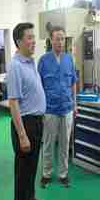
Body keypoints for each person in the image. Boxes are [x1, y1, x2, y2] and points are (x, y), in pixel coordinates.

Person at [8, 22, 47, 200]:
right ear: (19, 42)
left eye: (33, 37)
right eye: (29, 37)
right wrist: (22, 135)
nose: (33, 41)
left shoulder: (30, 62)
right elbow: (13, 102)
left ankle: (30, 199)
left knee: (32, 167)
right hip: (25, 124)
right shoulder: (15, 66)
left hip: (36, 122)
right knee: (23, 171)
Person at [38, 26, 77, 189]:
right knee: (48, 143)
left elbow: (73, 82)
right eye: (57, 39)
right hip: (50, 109)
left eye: (62, 39)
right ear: (51, 40)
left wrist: (75, 104)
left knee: (64, 143)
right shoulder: (43, 60)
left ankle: (63, 174)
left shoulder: (69, 59)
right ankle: (46, 174)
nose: (60, 42)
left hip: (67, 108)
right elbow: (39, 86)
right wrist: (40, 108)